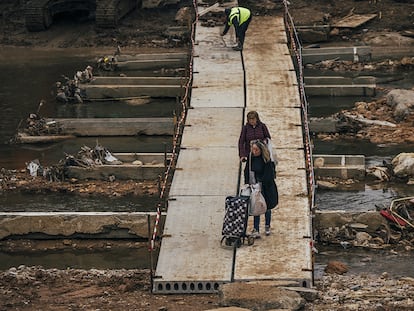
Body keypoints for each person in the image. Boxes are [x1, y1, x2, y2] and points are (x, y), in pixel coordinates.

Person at [244, 140, 278, 238]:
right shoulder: (251, 157)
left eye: (256, 149)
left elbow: (269, 175)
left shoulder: (266, 160)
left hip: (266, 186)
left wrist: (261, 182)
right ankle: (256, 229)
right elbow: (247, 170)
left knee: (267, 207)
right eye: (253, 149)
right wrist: (248, 183)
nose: (254, 151)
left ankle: (267, 226)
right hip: (255, 185)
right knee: (256, 207)